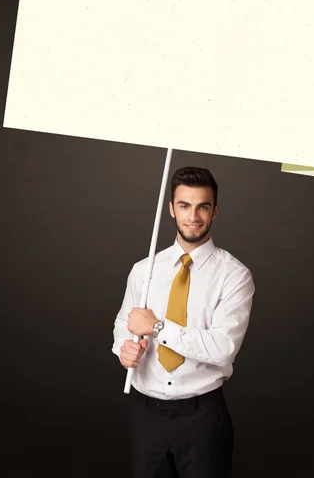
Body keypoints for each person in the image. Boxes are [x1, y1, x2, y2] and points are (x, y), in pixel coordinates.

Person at [112, 166, 254, 478]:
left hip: (201, 417)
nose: (193, 216)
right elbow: (126, 321)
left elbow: (222, 348)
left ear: (215, 211)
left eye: (202, 206)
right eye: (184, 206)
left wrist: (158, 328)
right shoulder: (144, 269)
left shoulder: (234, 276)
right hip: (145, 414)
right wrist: (123, 349)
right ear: (171, 209)